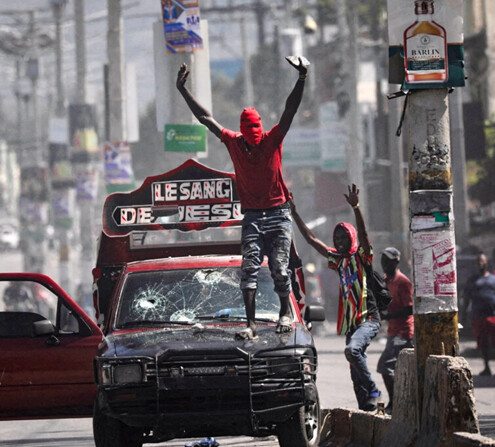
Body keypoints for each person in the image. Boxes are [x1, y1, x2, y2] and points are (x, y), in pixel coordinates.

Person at [176, 55, 308, 340]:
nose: (253, 141)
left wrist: (302, 78)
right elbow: (204, 118)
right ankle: (250, 325)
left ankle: (285, 313)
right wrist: (183, 90)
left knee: (279, 269)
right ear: (243, 133)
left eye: (256, 135)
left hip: (278, 214)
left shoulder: (272, 139)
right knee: (248, 269)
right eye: (250, 137)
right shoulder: (234, 142)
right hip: (252, 216)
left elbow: (289, 110)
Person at [288, 184, 383, 411]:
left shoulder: (362, 256)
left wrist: (356, 207)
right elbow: (311, 240)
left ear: (351, 238)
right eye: (337, 237)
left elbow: (364, 235)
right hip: (352, 324)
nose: (339, 240)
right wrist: (294, 213)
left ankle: (374, 390)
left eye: (343, 237)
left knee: (352, 352)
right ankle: (367, 408)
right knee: (353, 368)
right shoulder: (337, 261)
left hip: (368, 319)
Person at [375, 247, 414, 414]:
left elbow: (410, 309)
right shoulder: (385, 280)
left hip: (403, 332)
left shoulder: (403, 282)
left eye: (387, 260)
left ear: (395, 262)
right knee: (391, 368)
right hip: (392, 331)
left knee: (385, 366)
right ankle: (400, 402)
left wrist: (389, 316)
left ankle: (396, 402)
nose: (384, 264)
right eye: (382, 260)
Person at [463, 252, 495, 377]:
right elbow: (466, 299)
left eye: (482, 261)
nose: (480, 263)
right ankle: (487, 368)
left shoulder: (494, 279)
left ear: (486, 262)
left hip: (494, 315)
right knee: (483, 343)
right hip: (478, 316)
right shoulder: (472, 281)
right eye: (478, 261)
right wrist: (463, 315)